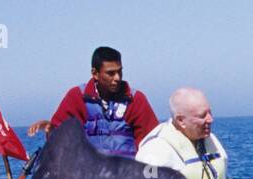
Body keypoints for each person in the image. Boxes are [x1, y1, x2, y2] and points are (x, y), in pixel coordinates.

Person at [27, 46, 159, 157]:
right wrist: (51, 129)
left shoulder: (135, 100)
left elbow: (153, 143)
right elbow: (61, 140)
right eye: (111, 73)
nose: (117, 78)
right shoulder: (77, 97)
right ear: (95, 73)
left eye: (120, 71)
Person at [136, 88, 232, 179]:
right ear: (181, 120)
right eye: (202, 115)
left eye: (210, 112)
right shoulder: (154, 152)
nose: (210, 119)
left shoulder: (212, 141)